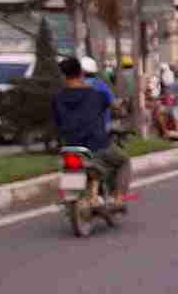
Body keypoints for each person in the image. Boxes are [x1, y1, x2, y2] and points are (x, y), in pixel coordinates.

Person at [51, 57, 129, 207]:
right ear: (81, 73)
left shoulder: (57, 98)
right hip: (96, 146)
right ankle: (118, 199)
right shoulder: (97, 94)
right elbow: (115, 108)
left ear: (63, 76)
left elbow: (58, 122)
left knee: (73, 168)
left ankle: (75, 193)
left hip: (70, 147)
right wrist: (120, 108)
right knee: (123, 161)